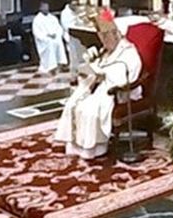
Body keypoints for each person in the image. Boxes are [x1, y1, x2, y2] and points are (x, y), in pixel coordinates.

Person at [54, 10, 142, 160]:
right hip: (97, 87)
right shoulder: (105, 51)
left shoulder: (128, 51)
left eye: (106, 36)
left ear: (116, 34)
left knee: (90, 110)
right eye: (102, 37)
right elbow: (96, 66)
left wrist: (104, 75)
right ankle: (76, 147)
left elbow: (128, 72)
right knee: (73, 104)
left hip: (114, 91)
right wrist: (88, 71)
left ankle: (94, 149)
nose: (104, 41)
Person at [31, 3, 66, 74]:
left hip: (55, 37)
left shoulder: (52, 18)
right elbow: (37, 33)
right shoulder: (37, 19)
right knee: (50, 43)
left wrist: (56, 35)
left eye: (47, 7)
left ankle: (60, 63)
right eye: (44, 8)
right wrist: (47, 36)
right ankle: (50, 66)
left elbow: (59, 28)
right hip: (45, 40)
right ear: (40, 8)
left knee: (59, 41)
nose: (46, 9)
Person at [60, 1, 85, 83]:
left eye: (77, 5)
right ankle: (74, 77)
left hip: (80, 37)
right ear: (69, 4)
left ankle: (82, 75)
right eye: (74, 5)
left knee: (81, 57)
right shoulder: (65, 13)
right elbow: (66, 26)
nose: (76, 6)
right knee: (73, 58)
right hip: (71, 37)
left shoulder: (77, 11)